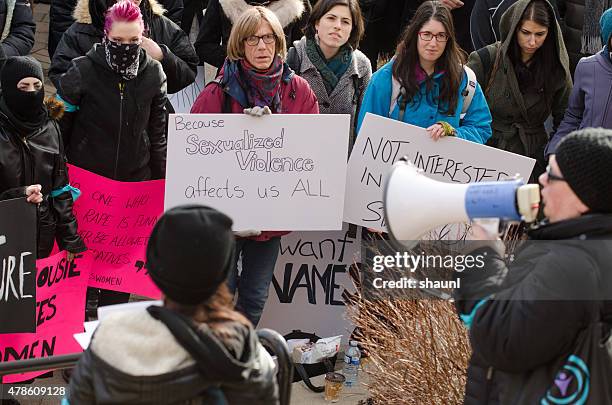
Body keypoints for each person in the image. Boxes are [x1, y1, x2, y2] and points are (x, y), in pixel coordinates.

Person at [455, 127, 612, 403]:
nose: (541, 179)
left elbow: (500, 338)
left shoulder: (572, 264)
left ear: (582, 195)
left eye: (552, 174)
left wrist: (482, 251)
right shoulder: (591, 250)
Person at [64, 205, 279, 404]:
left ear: (154, 267)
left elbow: (76, 399)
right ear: (222, 272)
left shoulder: (109, 334)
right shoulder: (246, 348)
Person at [190, 6, 318, 326]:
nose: (261, 46)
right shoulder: (216, 93)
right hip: (225, 220)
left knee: (255, 296)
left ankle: (238, 358)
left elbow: (313, 150)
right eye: (251, 40)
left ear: (278, 42)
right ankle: (215, 359)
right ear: (238, 44)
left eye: (268, 38)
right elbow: (193, 153)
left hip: (270, 218)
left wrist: (278, 132)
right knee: (222, 293)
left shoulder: (298, 91)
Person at [56, 0, 167, 306]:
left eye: (133, 41)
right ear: (105, 37)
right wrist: (60, 180)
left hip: (133, 192)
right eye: (118, 41)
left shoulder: (153, 73)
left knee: (119, 280)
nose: (126, 48)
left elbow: (158, 135)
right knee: (82, 280)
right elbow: (58, 132)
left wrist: (162, 184)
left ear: (143, 37)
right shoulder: (81, 70)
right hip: (88, 190)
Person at [357, 0, 492, 145]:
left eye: (441, 36)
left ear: (449, 39)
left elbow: (481, 127)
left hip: (443, 165)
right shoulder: (386, 78)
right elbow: (367, 132)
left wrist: (454, 133)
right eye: (426, 34)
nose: (433, 43)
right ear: (415, 34)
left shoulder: (465, 80)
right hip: (396, 165)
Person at [467, 0, 571, 180]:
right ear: (514, 27)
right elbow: (461, 107)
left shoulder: (556, 68)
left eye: (540, 34)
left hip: (531, 154)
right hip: (486, 150)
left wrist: (550, 152)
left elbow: (566, 116)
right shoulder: (486, 59)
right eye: (526, 33)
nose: (532, 41)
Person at [0, 56, 86, 259]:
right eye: (23, 86)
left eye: (37, 85)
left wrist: (70, 239)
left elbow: (60, 188)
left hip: (40, 235)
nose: (31, 92)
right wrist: (19, 195)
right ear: (9, 88)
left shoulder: (51, 127)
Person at [49, 0, 197, 100]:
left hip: (144, 131)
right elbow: (60, 73)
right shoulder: (83, 30)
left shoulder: (160, 24)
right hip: (93, 128)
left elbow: (188, 71)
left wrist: (163, 55)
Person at [287, 0, 371, 145]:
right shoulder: (294, 57)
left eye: (345, 22)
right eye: (331, 18)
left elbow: (365, 123)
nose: (337, 26)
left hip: (342, 159)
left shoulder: (362, 66)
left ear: (352, 29)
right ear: (317, 23)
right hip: (299, 156)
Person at [546, 7, 612, 155]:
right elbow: (573, 116)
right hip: (584, 162)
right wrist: (554, 152)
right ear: (608, 38)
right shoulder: (587, 67)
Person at [194, 0, 311, 69]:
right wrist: (238, 59)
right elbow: (204, 45)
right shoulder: (222, 2)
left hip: (282, 83)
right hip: (232, 83)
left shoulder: (297, 5)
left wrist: (275, 62)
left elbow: (301, 51)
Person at [48, 0, 184, 58]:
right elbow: (62, 68)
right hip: (92, 112)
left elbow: (186, 64)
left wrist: (162, 56)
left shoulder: (158, 21)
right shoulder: (81, 29)